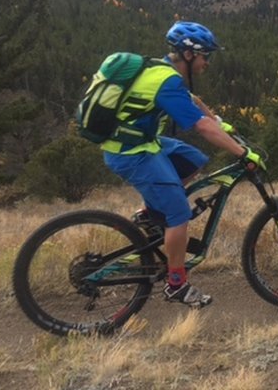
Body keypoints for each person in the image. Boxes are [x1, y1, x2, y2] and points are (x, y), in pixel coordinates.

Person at [101, 21, 265, 307]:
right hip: (130, 152)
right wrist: (242, 153)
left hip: (142, 142)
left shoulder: (162, 69)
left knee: (193, 160)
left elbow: (195, 102)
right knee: (179, 214)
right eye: (205, 56)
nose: (207, 63)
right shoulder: (167, 82)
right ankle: (176, 284)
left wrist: (220, 123)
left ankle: (150, 214)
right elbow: (201, 128)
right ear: (189, 55)